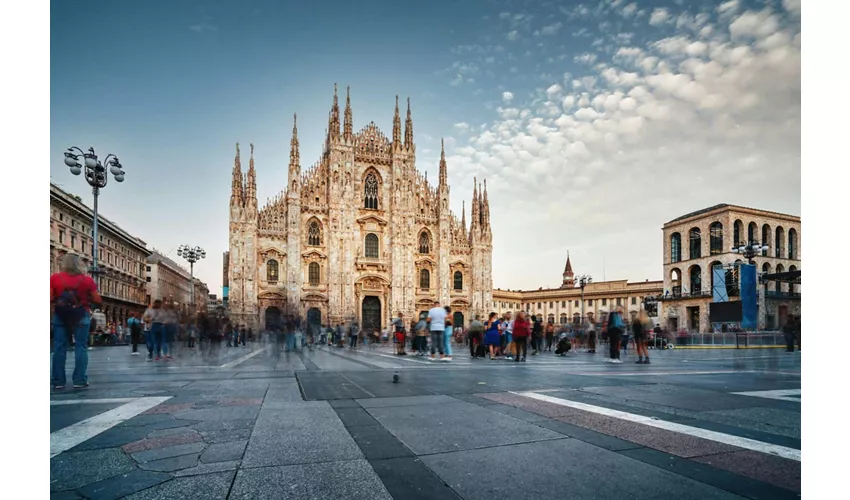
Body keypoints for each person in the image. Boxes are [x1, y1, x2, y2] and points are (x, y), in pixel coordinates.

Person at [51, 253, 102, 389]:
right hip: (81, 315)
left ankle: (58, 381)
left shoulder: (55, 278)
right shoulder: (87, 280)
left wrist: (60, 300)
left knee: (59, 348)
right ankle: (79, 380)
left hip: (60, 315)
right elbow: (98, 300)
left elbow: (49, 298)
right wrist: (84, 300)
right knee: (80, 347)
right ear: (80, 264)